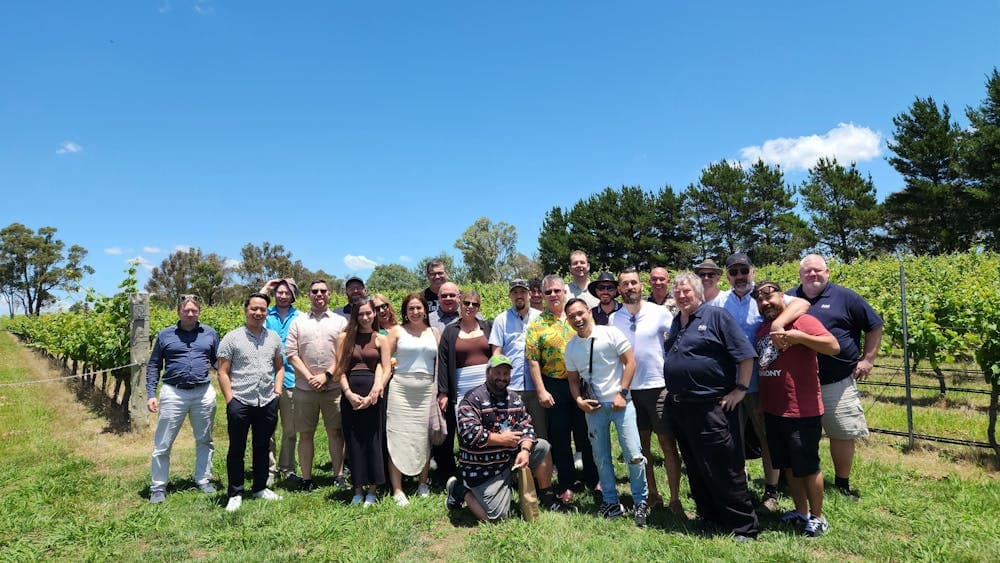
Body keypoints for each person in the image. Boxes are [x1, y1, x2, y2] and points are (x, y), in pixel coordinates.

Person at [660, 273, 759, 542]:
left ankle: (744, 526)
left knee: (724, 466)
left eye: (686, 291)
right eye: (677, 292)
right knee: (695, 465)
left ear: (699, 293)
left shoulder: (716, 317)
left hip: (711, 406)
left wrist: (740, 389)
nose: (682, 296)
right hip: (682, 407)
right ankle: (711, 517)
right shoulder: (677, 322)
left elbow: (746, 354)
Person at [711, 253, 810, 513]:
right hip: (729, 385)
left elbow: (801, 303)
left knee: (768, 440)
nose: (740, 276)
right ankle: (738, 487)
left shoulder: (765, 296)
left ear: (752, 271)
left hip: (762, 383)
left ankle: (771, 491)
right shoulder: (720, 300)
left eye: (744, 270)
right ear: (728, 276)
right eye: (734, 272)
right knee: (732, 438)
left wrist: (778, 322)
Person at [788, 254, 882, 501]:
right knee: (800, 436)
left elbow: (874, 325)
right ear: (800, 275)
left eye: (817, 271)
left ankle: (842, 484)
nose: (812, 275)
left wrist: (868, 359)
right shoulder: (789, 298)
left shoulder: (846, 297)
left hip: (836, 381)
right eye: (807, 271)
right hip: (799, 384)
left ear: (827, 272)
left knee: (841, 433)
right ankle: (802, 479)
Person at [753, 280, 840, 538]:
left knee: (807, 465)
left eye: (770, 297)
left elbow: (834, 346)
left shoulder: (802, 322)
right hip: (774, 409)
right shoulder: (762, 331)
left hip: (801, 408)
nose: (766, 303)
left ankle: (818, 516)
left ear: (783, 297)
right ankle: (801, 511)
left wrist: (799, 337)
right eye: (760, 299)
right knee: (788, 465)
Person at [447, 355, 567, 521]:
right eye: (498, 373)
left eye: (506, 374)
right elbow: (469, 433)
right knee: (496, 517)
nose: (502, 378)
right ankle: (459, 490)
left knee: (543, 446)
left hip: (509, 459)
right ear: (488, 373)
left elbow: (527, 427)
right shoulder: (473, 398)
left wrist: (525, 450)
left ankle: (546, 495)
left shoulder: (514, 399)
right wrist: (500, 439)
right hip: (483, 468)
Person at [563, 298, 648, 527]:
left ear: (589, 312)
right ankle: (611, 501)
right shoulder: (571, 347)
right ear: (568, 320)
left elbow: (630, 362)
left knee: (633, 454)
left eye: (580, 313)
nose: (578, 319)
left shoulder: (610, 334)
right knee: (601, 457)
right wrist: (579, 400)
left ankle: (641, 502)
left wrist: (622, 392)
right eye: (572, 316)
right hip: (594, 408)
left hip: (621, 404)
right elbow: (572, 379)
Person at [612, 268, 684, 517]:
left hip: (658, 386)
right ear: (619, 289)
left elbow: (677, 340)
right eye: (625, 284)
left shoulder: (659, 312)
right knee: (641, 449)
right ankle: (652, 493)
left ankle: (675, 499)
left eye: (633, 283)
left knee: (667, 443)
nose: (629, 287)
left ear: (641, 286)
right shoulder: (614, 319)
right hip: (631, 391)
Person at [526, 275, 598, 503]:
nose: (553, 295)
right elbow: (533, 359)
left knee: (586, 434)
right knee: (560, 436)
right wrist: (540, 390)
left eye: (557, 290)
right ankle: (566, 483)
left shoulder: (575, 317)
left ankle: (592, 478)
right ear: (543, 296)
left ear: (564, 291)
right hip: (554, 385)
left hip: (581, 383)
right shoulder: (537, 323)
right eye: (548, 292)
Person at [146, 294, 220, 504]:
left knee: (205, 439)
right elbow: (154, 366)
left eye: (194, 310)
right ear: (178, 312)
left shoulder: (210, 333)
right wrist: (151, 393)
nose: (190, 314)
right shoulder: (165, 335)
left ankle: (203, 479)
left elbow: (217, 362)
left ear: (199, 312)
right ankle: (158, 487)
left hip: (203, 392)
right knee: (163, 442)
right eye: (186, 310)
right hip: (173, 392)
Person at [218, 292, 285, 512]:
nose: (258, 313)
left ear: (267, 312)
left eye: (262, 309)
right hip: (241, 400)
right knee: (237, 448)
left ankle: (259, 487)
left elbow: (279, 367)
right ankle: (235, 492)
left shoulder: (273, 338)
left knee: (262, 446)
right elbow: (223, 372)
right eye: (254, 308)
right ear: (245, 310)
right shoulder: (232, 338)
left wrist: (277, 392)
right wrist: (230, 400)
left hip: (266, 400)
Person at [286, 280, 349, 492]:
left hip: (333, 388)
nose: (319, 294)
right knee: (305, 434)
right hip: (305, 389)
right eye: (315, 291)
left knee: (335, 433)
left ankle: (339, 475)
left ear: (329, 294)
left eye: (323, 291)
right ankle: (306, 478)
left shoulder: (340, 322)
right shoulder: (298, 322)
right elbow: (292, 354)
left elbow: (344, 353)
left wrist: (327, 375)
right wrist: (310, 377)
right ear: (308, 295)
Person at [334, 297, 390, 507]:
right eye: (361, 314)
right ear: (355, 316)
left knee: (373, 441)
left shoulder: (380, 339)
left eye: (369, 313)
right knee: (354, 441)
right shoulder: (344, 338)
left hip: (374, 396)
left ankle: (373, 489)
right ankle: (357, 488)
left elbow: (386, 368)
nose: (365, 317)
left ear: (374, 314)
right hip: (351, 395)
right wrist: (347, 393)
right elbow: (340, 369)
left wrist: (377, 390)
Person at [385, 293, 440, 505]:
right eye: (411, 309)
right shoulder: (396, 331)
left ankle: (422, 483)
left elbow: (439, 364)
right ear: (405, 311)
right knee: (397, 436)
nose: (415, 312)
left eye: (418, 308)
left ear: (425, 309)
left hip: (426, 390)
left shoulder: (434, 332)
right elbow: (384, 362)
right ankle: (397, 489)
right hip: (401, 389)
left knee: (423, 437)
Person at [435, 289, 492, 485]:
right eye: (466, 303)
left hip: (487, 386)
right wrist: (443, 391)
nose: (470, 307)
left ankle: (489, 467)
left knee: (488, 427)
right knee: (466, 430)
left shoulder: (487, 327)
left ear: (479, 307)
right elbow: (443, 362)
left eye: (474, 304)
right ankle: (463, 472)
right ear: (461, 304)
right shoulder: (451, 331)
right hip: (461, 388)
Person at [489, 279, 544, 437]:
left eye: (522, 292)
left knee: (540, 431)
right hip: (511, 386)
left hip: (537, 386)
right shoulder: (501, 320)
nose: (519, 296)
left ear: (529, 294)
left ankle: (542, 461)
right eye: (515, 292)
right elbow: (496, 353)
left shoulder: (540, 318)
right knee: (513, 431)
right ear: (510, 296)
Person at [260, 277, 301, 487]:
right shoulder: (265, 314)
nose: (283, 296)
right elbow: (256, 305)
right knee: (267, 428)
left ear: (293, 295)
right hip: (267, 377)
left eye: (287, 293)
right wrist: (266, 288)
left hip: (292, 377)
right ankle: (269, 469)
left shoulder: (300, 317)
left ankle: (288, 468)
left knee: (290, 428)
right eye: (279, 292)